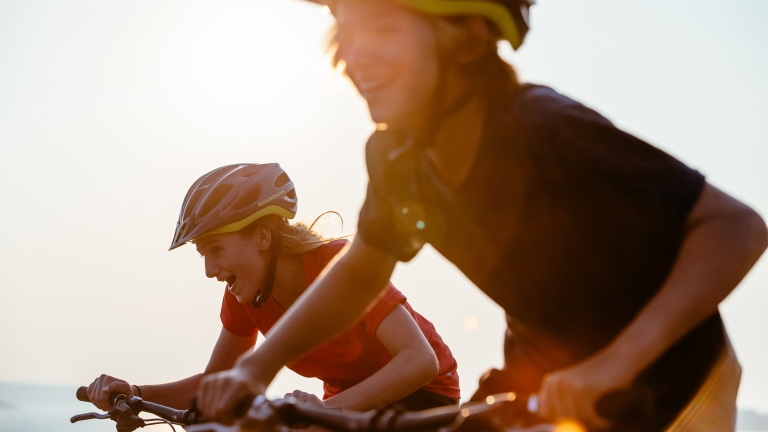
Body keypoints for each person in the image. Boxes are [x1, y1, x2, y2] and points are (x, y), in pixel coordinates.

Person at [196, 2, 768, 431]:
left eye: (382, 28)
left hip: (679, 383)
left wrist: (615, 364)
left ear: (467, 36)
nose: (352, 54)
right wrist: (257, 367)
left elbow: (737, 226)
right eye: (343, 33)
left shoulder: (541, 129)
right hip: (542, 377)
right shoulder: (397, 159)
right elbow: (360, 273)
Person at [84, 163, 460, 414]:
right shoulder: (244, 297)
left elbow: (419, 362)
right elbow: (216, 384)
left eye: (216, 250)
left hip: (425, 398)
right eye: (203, 255)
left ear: (262, 237)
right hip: (341, 408)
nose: (210, 270)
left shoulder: (337, 267)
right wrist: (135, 392)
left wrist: (324, 412)